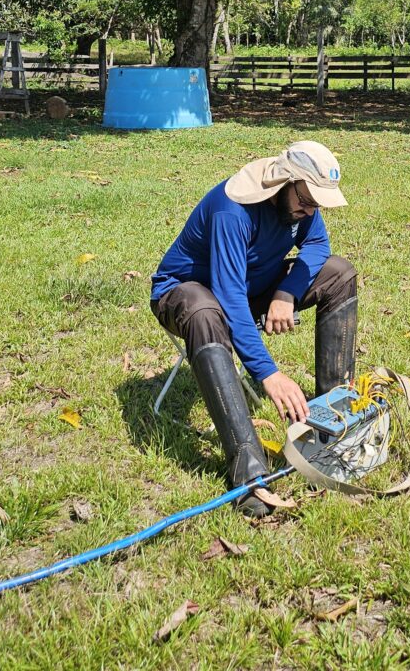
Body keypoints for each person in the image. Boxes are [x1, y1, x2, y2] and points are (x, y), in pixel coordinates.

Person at [150, 140, 357, 517]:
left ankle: (336, 424)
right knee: (203, 310)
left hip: (249, 287)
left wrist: (286, 292)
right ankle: (247, 470)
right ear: (284, 182)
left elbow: (318, 244)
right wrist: (269, 374)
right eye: (306, 202)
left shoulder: (301, 200)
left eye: (316, 205)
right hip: (189, 293)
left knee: (338, 273)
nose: (310, 211)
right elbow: (227, 296)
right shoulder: (233, 211)